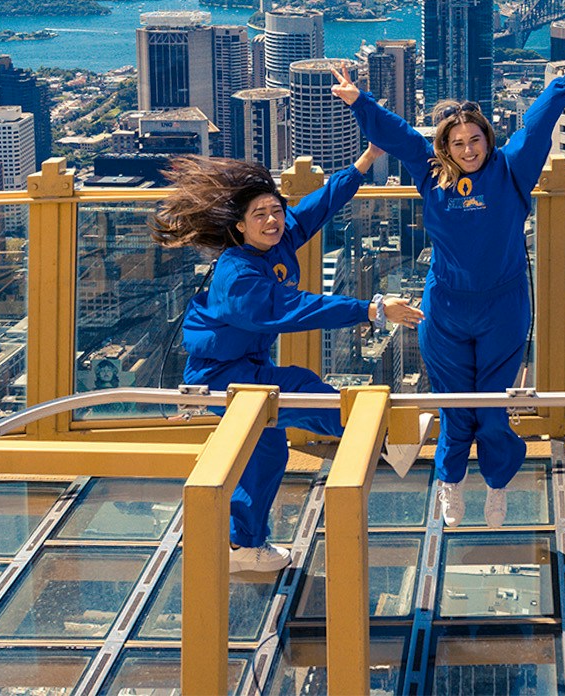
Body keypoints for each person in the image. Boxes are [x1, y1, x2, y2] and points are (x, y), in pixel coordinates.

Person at [329, 43, 565, 528]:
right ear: (445, 148)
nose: (469, 149)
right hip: (447, 308)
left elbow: (536, 125)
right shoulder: (430, 174)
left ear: (487, 140)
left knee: (492, 408)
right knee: (456, 406)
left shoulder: (511, 170)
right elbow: (400, 135)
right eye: (458, 142)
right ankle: (450, 483)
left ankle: (497, 486)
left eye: (475, 139)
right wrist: (358, 101)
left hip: (503, 307)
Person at [151, 147, 422, 574]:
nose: (273, 220)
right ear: (239, 227)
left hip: (244, 364)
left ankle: (242, 546)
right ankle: (382, 437)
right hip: (218, 375)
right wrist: (370, 308)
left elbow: (320, 205)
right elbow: (293, 309)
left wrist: (364, 162)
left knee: (268, 451)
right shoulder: (237, 276)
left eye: (275, 210)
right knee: (297, 387)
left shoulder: (278, 238)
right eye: (260, 215)